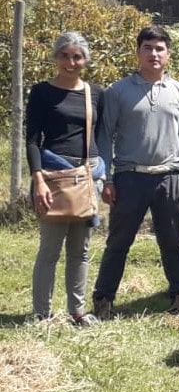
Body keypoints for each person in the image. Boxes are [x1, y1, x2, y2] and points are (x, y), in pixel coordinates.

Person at [92, 25, 179, 319]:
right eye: (148, 48)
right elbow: (104, 137)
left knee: (172, 240)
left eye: (159, 48)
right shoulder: (117, 91)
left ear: (169, 54)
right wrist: (106, 178)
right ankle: (104, 299)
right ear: (138, 52)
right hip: (129, 176)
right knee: (119, 241)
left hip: (170, 177)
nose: (154, 54)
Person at [25, 32, 106, 325]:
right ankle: (41, 314)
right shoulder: (42, 92)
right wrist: (39, 180)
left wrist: (103, 176)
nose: (71, 63)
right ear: (56, 57)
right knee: (49, 249)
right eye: (65, 55)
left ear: (85, 60)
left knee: (80, 250)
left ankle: (78, 311)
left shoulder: (95, 93)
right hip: (53, 178)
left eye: (77, 57)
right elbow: (32, 139)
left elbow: (100, 137)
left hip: (86, 179)